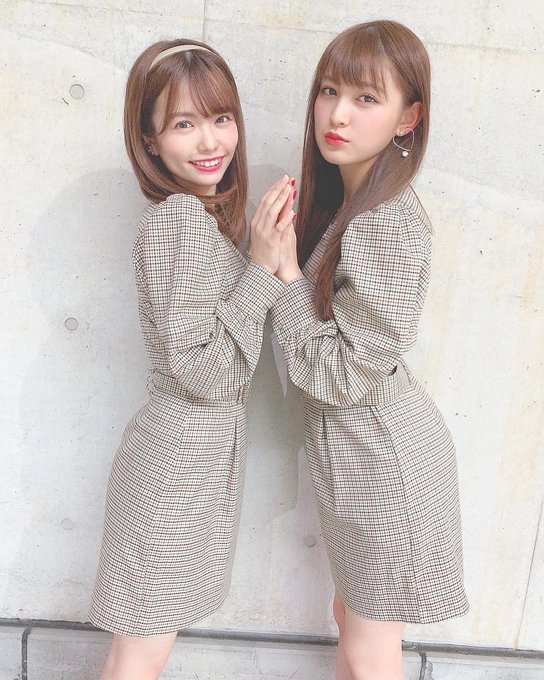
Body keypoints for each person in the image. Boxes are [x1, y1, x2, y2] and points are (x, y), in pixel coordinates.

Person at [267, 20, 469, 680]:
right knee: (351, 624)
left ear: (409, 118)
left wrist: (286, 274)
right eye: (329, 91)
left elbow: (347, 374)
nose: (337, 115)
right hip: (365, 456)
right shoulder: (352, 205)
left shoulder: (382, 220)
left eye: (366, 98)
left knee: (368, 648)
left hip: (384, 464)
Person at [89, 39, 294, 680]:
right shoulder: (178, 219)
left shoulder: (200, 222)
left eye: (221, 118)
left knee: (138, 646)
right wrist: (260, 268)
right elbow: (203, 372)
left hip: (190, 461)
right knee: (141, 653)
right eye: (183, 124)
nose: (210, 141)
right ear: (149, 140)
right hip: (176, 465)